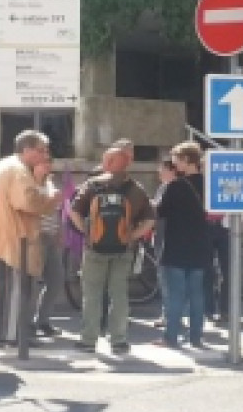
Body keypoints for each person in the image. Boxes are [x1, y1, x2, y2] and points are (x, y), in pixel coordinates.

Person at [68, 145, 155, 353]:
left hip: (95, 249)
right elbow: (150, 220)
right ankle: (119, 340)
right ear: (127, 164)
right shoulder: (136, 189)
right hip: (123, 250)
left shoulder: (93, 185)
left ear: (107, 163)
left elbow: (74, 212)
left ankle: (89, 340)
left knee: (92, 294)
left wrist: (87, 233)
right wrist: (131, 236)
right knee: (120, 295)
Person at [0, 130, 62, 348]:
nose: (45, 155)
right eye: (41, 150)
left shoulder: (5, 165)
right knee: (17, 290)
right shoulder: (19, 170)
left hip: (4, 236)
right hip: (17, 238)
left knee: (3, 289)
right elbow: (27, 201)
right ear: (26, 150)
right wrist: (50, 199)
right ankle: (14, 336)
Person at [154, 141, 213, 349]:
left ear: (187, 160)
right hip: (201, 244)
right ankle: (196, 337)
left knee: (176, 294)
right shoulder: (209, 184)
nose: (174, 163)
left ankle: (171, 336)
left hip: (177, 246)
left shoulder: (176, 186)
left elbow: (160, 212)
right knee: (197, 293)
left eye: (176, 159)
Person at [31, 156, 66, 337]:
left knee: (56, 279)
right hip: (37, 237)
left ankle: (42, 320)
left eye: (49, 162)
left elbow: (57, 211)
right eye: (44, 162)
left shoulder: (50, 183)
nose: (48, 166)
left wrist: (59, 230)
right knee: (33, 282)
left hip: (51, 237)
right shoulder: (30, 184)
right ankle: (28, 324)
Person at [151, 158, 179, 329]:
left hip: (170, 237)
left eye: (162, 169)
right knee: (163, 277)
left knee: (169, 277)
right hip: (160, 235)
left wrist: (153, 206)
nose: (159, 173)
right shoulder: (162, 188)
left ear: (171, 170)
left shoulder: (176, 188)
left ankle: (171, 315)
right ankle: (168, 313)